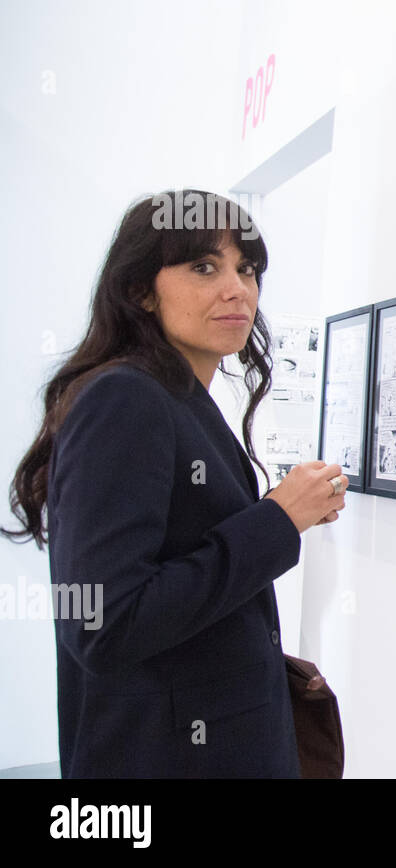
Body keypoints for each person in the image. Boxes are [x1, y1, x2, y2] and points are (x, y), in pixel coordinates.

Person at [2, 189, 348, 778]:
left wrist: (279, 513)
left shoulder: (178, 398)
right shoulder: (125, 398)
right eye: (203, 267)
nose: (236, 288)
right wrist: (277, 521)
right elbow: (101, 623)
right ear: (139, 290)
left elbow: (186, 550)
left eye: (247, 269)